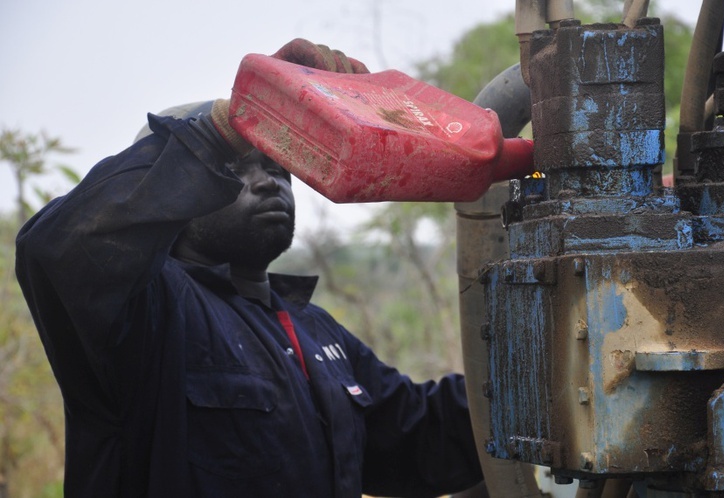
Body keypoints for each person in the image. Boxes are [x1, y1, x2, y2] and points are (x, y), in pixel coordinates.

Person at [15, 39, 484, 497]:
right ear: (178, 194)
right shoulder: (144, 313)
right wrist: (233, 122)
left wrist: (540, 373)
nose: (267, 182)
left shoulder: (314, 330)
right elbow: (62, 248)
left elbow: (421, 437)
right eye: (238, 167)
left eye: (279, 166)